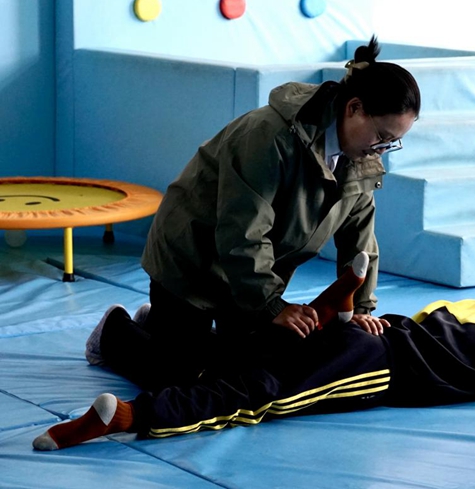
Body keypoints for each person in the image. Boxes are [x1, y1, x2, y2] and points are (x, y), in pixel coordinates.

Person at [83, 36, 422, 391]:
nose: (383, 150)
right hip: (192, 261)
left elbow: (360, 242)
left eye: (392, 143)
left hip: (248, 273)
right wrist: (273, 306)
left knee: (254, 368)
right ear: (354, 108)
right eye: (382, 137)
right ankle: (115, 332)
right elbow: (242, 232)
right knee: (184, 382)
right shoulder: (270, 137)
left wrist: (361, 309)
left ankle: (158, 330)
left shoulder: (361, 158)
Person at [33, 275, 475, 451]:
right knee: (263, 394)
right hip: (379, 362)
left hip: (371, 332)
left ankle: (126, 335)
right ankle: (132, 415)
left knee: (230, 365)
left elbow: (424, 322)